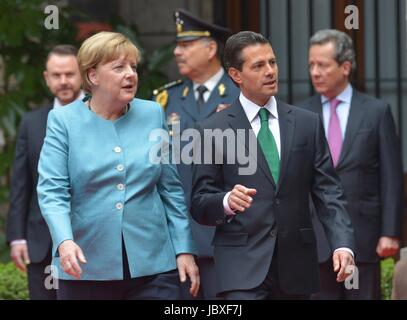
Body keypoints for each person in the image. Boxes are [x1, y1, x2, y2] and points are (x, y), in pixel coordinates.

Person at [191, 31, 355, 300]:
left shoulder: (306, 123)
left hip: (297, 267)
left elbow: (329, 192)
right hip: (241, 268)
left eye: (272, 62)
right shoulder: (210, 130)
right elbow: (199, 203)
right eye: (258, 66)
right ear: (236, 75)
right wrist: (227, 201)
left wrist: (343, 245)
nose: (270, 71)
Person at [36, 31, 199, 300]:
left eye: (133, 67)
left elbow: (170, 189)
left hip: (153, 266)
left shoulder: (152, 113)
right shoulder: (63, 121)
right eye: (119, 67)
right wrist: (64, 241)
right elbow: (52, 191)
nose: (131, 74)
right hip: (84, 266)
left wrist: (184, 249)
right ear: (93, 76)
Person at [299, 29, 404, 300]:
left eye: (322, 65)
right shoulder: (301, 114)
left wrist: (390, 232)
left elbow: (391, 178)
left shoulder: (376, 111)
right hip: (316, 239)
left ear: (345, 67)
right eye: (311, 64)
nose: (315, 72)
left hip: (364, 236)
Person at [152, 8, 239, 300]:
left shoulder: (242, 96)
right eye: (178, 45)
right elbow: (157, 169)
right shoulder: (164, 100)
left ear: (211, 48)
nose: (177, 52)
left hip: (228, 237)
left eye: (186, 45)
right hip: (178, 240)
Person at [6, 44, 83, 300]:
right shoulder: (32, 122)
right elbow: (21, 183)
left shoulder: (102, 115)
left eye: (69, 74)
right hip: (41, 242)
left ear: (83, 73)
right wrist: (17, 237)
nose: (63, 81)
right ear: (46, 78)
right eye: (56, 75)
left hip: (89, 240)